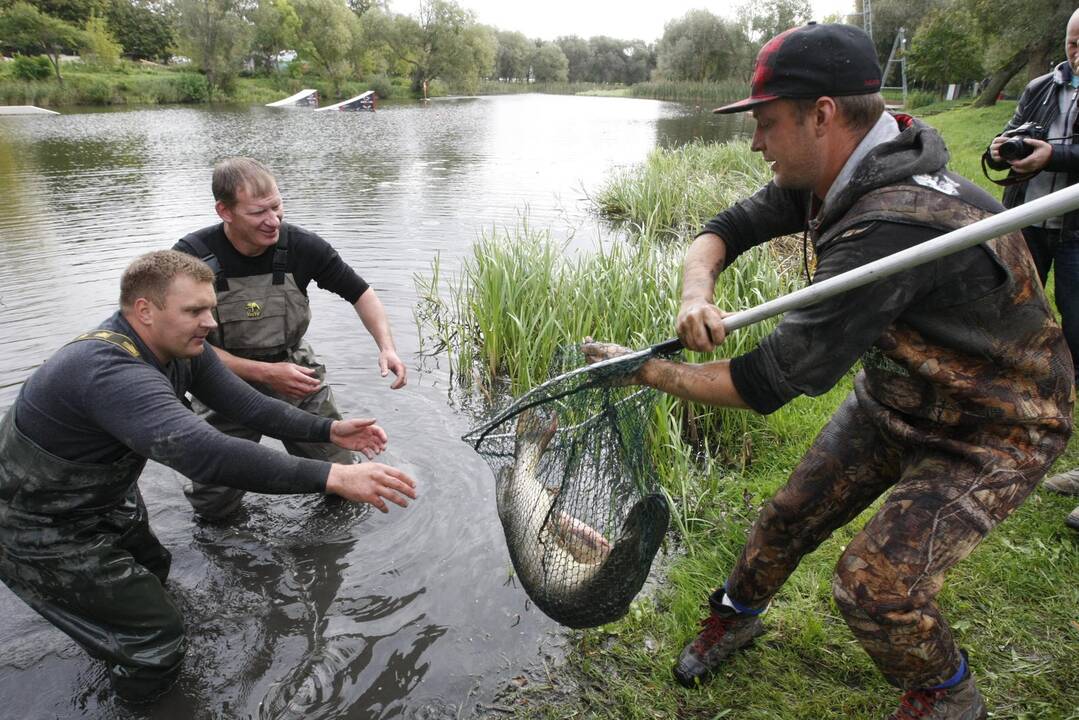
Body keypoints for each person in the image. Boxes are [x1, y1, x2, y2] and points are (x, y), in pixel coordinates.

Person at [583, 23, 1073, 720]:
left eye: (765, 123)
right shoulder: (834, 171)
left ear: (822, 115)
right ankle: (737, 614)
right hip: (897, 398)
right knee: (784, 517)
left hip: (994, 426)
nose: (755, 142)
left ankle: (945, 696)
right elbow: (723, 227)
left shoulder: (894, 225)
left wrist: (647, 373)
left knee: (875, 586)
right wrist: (697, 293)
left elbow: (763, 384)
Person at [0, 251, 417, 704]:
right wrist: (332, 476)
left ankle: (114, 642)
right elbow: (205, 453)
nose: (210, 323)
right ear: (145, 311)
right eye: (194, 311)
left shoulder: (180, 348)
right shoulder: (108, 371)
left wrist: (327, 430)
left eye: (210, 308)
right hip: (36, 525)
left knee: (154, 572)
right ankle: (147, 705)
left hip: (102, 498)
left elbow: (249, 406)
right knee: (155, 639)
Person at [174, 157, 408, 520]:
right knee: (213, 503)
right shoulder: (191, 258)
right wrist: (265, 373)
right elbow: (183, 344)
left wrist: (387, 347)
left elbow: (361, 293)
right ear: (225, 211)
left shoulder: (300, 246)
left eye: (277, 206)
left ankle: (332, 545)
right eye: (258, 213)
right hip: (221, 378)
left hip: (295, 373)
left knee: (345, 482)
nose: (273, 221)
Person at [983, 8, 1079, 531]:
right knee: (1014, 329)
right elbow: (1010, 137)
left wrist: (1055, 157)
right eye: (1071, 42)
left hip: (1077, 233)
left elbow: (1058, 154)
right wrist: (1001, 152)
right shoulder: (1042, 86)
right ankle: (1006, 437)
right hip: (1027, 227)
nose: (1075, 52)